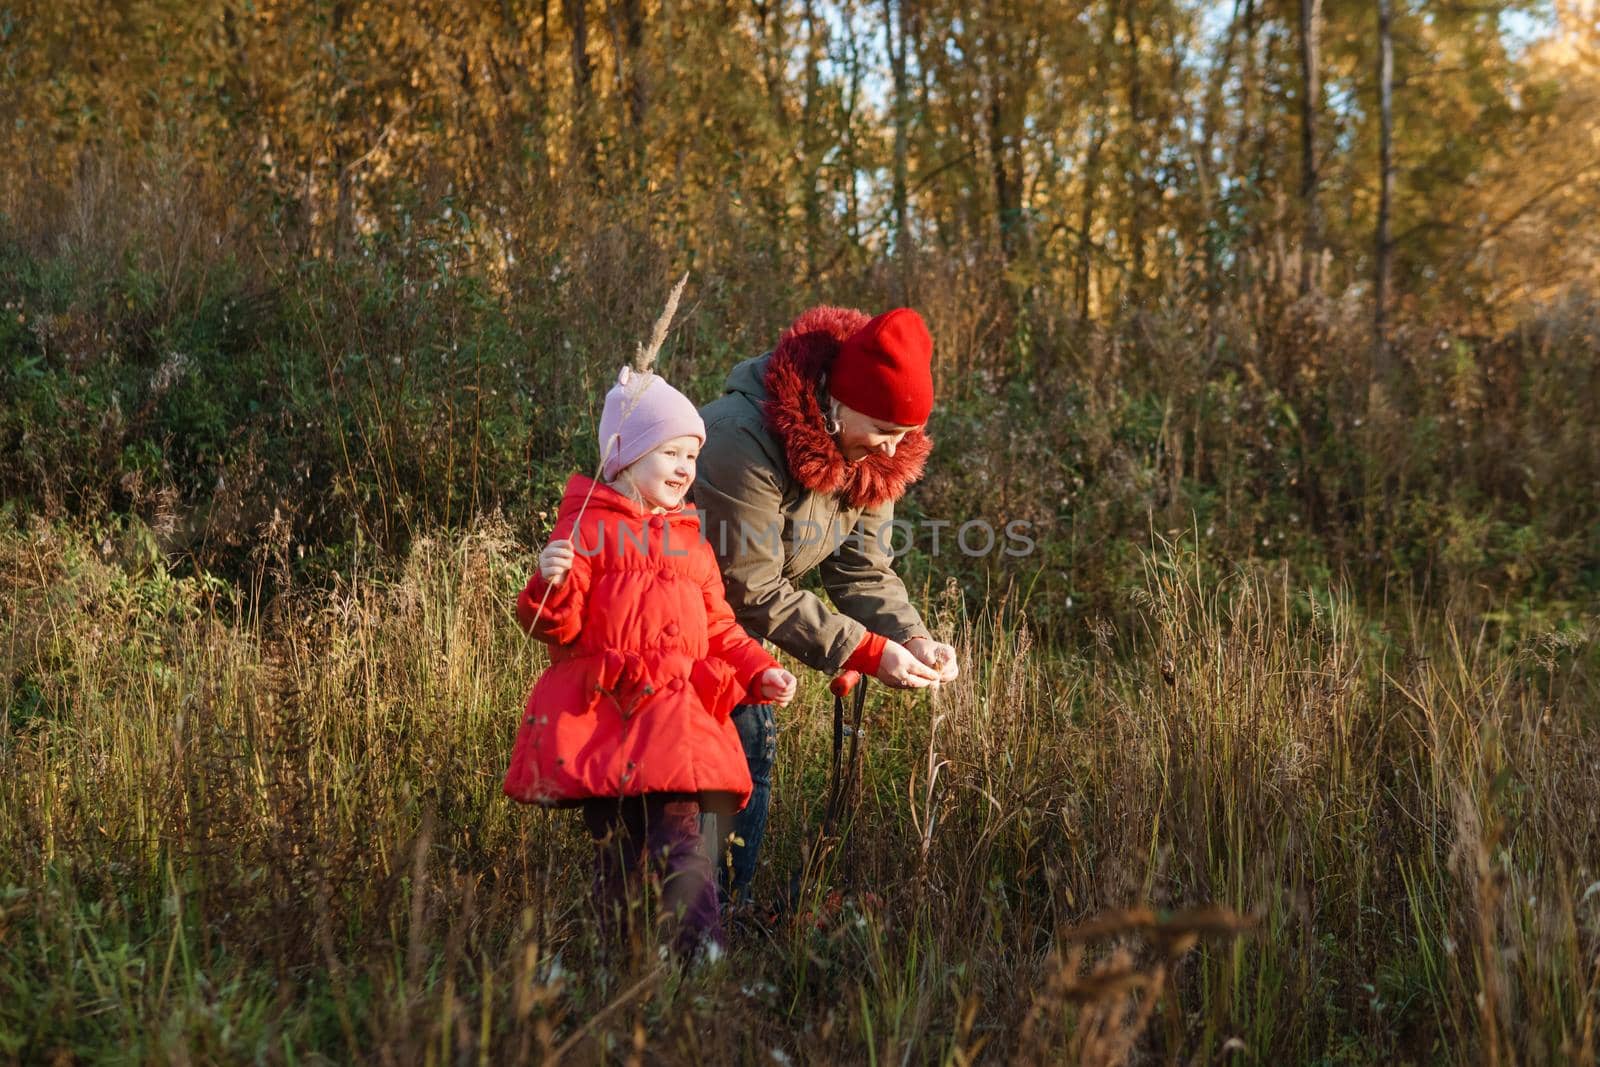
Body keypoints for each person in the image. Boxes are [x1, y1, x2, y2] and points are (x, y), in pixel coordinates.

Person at [503, 366, 797, 957]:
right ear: (625, 456)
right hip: (608, 720)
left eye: (692, 454)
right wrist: (550, 580)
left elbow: (718, 627)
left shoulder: (691, 539)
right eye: (670, 452)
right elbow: (553, 628)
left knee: (683, 842)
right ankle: (625, 967)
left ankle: (697, 958)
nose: (686, 467)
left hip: (676, 724)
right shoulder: (585, 530)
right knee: (619, 853)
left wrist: (756, 669)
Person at [692, 305, 960, 904]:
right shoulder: (742, 439)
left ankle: (712, 921)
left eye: (905, 435)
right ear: (840, 401)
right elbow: (750, 586)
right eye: (885, 428)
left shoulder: (871, 458)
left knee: (744, 754)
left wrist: (911, 637)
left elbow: (862, 569)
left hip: (736, 630)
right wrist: (865, 651)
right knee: (729, 754)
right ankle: (696, 925)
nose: (894, 447)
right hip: (673, 624)